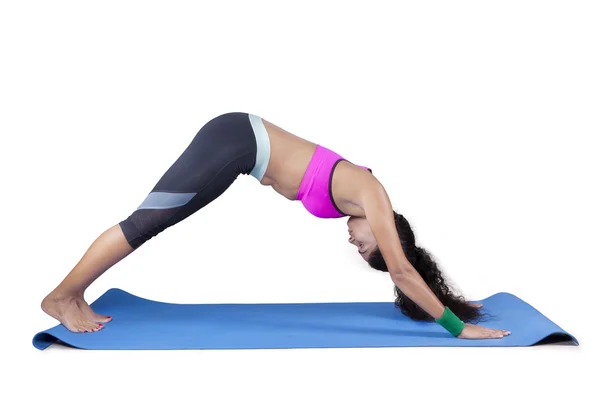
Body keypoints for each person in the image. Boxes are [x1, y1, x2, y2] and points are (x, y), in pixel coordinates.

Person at [41, 112, 511, 339]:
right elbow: (404, 272)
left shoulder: (362, 202)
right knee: (144, 223)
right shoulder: (374, 198)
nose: (355, 244)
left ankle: (77, 293)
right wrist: (456, 327)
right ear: (390, 239)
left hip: (238, 150)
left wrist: (450, 300)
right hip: (236, 141)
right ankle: (61, 297)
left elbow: (412, 271)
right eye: (368, 249)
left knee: (151, 223)